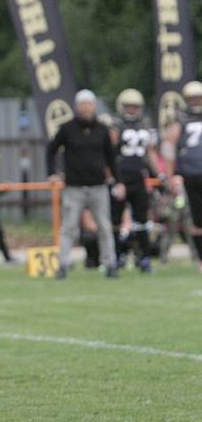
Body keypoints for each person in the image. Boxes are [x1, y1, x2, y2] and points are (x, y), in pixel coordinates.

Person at [47, 89, 119, 279]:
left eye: (89, 104)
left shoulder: (102, 129)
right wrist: (51, 173)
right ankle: (62, 265)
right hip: (74, 186)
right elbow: (51, 149)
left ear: (94, 106)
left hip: (98, 186)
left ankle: (110, 264)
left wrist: (117, 180)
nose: (86, 108)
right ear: (77, 107)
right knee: (69, 227)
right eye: (82, 104)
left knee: (104, 226)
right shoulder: (67, 128)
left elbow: (111, 157)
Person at [109, 89, 158, 273]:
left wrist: (158, 173)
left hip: (138, 177)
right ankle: (117, 255)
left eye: (134, 106)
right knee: (115, 219)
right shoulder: (115, 126)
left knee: (142, 219)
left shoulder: (145, 126)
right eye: (128, 106)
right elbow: (109, 153)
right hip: (120, 177)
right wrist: (112, 177)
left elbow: (150, 152)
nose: (131, 110)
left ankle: (144, 257)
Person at [160, 80, 202, 273]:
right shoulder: (179, 121)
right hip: (188, 176)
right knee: (193, 220)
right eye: (192, 98)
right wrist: (170, 177)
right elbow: (168, 148)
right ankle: (200, 258)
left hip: (192, 174)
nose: (196, 101)